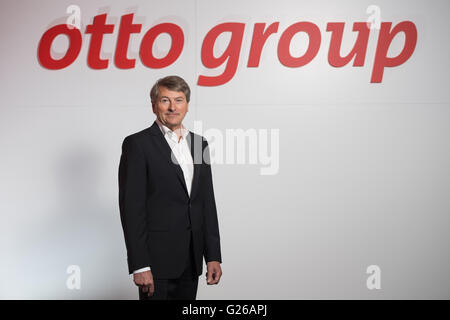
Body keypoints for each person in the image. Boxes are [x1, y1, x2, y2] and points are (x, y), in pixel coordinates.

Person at [118, 75, 222, 300]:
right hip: (155, 264)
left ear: (187, 105)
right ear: (154, 105)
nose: (173, 107)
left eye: (179, 100)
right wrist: (140, 265)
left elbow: (206, 202)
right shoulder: (137, 144)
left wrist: (213, 255)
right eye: (165, 100)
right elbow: (132, 208)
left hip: (191, 260)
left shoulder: (199, 143)